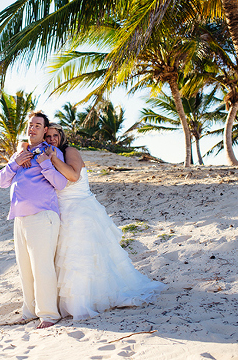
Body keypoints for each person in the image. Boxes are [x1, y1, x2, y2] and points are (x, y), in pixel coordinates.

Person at [42, 123, 166, 319]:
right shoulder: (45, 153)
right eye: (47, 136)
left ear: (61, 136)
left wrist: (54, 159)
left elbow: (73, 175)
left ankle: (83, 302)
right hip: (61, 210)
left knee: (81, 257)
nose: (51, 140)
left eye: (54, 135)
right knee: (65, 258)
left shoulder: (69, 151)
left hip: (80, 209)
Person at [0, 112, 67, 329]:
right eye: (30, 125)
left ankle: (48, 314)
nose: (32, 129)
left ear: (45, 130)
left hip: (42, 215)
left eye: (38, 125)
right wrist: (15, 163)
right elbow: (1, 181)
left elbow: (61, 183)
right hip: (20, 218)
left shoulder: (52, 151)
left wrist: (45, 163)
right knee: (25, 268)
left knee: (42, 266)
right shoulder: (19, 154)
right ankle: (29, 311)